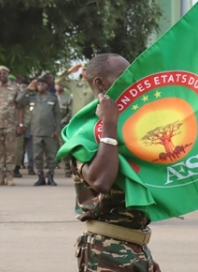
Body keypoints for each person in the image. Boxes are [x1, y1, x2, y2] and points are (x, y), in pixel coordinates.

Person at [67, 53, 160, 272]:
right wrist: (108, 123)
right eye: (123, 76)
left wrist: (143, 257)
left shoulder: (126, 126)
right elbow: (101, 180)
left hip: (134, 247)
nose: (132, 82)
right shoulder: (84, 133)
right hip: (105, 252)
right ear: (100, 83)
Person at [17, 77, 62, 186]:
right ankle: (40, 176)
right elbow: (19, 100)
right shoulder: (32, 97)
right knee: (37, 156)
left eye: (43, 84)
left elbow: (57, 115)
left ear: (47, 86)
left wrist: (57, 130)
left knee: (52, 155)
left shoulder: (53, 98)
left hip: (50, 132)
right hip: (36, 131)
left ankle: (50, 176)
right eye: (38, 84)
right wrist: (28, 88)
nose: (40, 86)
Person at [55, 84, 73, 177]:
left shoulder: (68, 97)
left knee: (64, 146)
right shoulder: (51, 97)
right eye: (57, 84)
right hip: (50, 126)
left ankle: (67, 167)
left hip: (63, 125)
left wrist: (62, 121)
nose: (58, 86)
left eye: (60, 85)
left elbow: (70, 111)